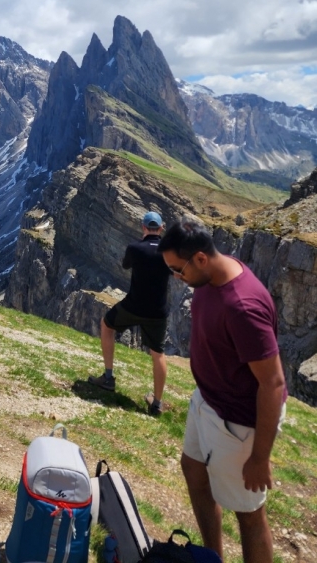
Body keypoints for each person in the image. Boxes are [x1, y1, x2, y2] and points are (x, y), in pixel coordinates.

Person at [159, 218, 287, 563]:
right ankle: (211, 557)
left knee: (248, 514)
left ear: (200, 258)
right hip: (209, 401)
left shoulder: (243, 306)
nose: (177, 277)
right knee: (194, 470)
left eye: (178, 269)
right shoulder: (211, 276)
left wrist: (259, 458)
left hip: (239, 421)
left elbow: (273, 383)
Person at [88, 210, 172, 415]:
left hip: (133, 305)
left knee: (107, 325)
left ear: (143, 227)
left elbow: (126, 265)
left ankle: (108, 378)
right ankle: (157, 403)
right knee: (157, 353)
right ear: (161, 228)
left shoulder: (135, 248)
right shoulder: (169, 252)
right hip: (158, 312)